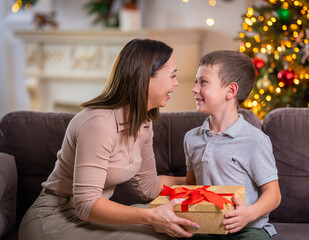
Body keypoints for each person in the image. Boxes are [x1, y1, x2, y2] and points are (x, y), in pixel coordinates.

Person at [19, 38, 199, 240]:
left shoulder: (144, 123)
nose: (176, 82)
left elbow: (149, 187)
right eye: (172, 75)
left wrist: (199, 182)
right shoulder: (98, 123)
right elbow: (86, 204)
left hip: (92, 218)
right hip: (53, 218)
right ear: (146, 77)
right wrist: (151, 217)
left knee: (180, 230)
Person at [183, 50, 281, 240]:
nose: (195, 89)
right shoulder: (191, 138)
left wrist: (249, 214)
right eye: (196, 81)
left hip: (248, 227)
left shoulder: (255, 140)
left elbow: (273, 194)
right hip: (205, 225)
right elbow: (190, 184)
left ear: (231, 91)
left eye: (203, 82)